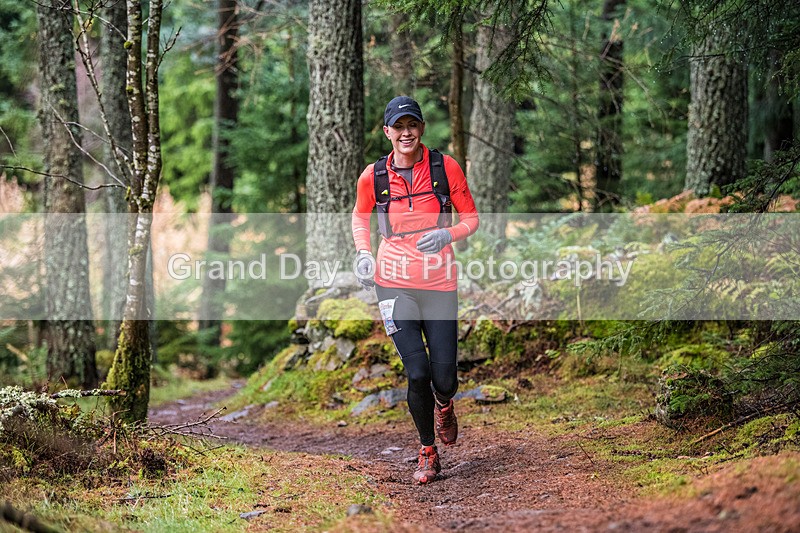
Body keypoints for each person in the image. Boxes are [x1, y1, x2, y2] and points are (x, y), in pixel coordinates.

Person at [351, 96, 479, 484]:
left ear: (421, 129)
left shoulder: (445, 168)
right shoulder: (373, 176)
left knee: (445, 379)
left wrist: (447, 233)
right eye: (398, 127)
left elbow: (471, 218)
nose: (406, 133)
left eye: (413, 125)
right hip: (392, 284)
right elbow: (360, 215)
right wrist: (362, 252)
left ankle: (445, 405)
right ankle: (427, 452)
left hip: (439, 283)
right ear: (387, 132)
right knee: (417, 371)